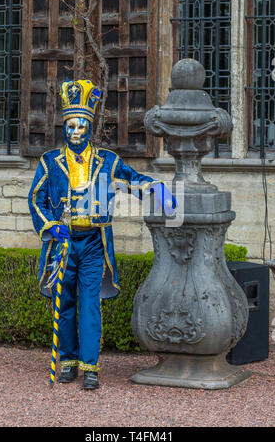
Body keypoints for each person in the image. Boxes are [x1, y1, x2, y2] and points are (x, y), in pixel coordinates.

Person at [28, 79, 177, 389]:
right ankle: (68, 362)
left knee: (90, 304)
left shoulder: (107, 162)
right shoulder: (48, 162)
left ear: (89, 126)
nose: (75, 131)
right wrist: (49, 225)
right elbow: (35, 199)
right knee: (65, 302)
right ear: (65, 127)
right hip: (63, 243)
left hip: (94, 243)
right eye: (71, 126)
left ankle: (90, 365)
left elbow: (131, 180)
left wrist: (155, 187)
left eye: (81, 125)